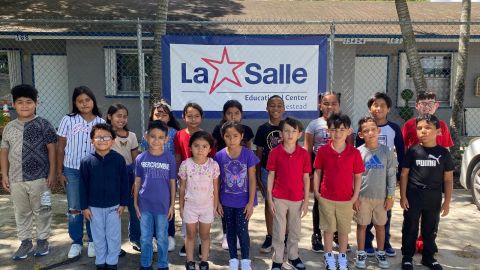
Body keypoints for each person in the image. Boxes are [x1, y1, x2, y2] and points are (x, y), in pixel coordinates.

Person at [0, 84, 57, 260]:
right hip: (16, 179)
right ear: (13, 105)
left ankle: (42, 240)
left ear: (36, 103)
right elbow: (4, 150)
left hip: (40, 178)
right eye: (20, 102)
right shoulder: (9, 127)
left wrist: (52, 173)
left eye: (29, 102)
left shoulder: (44, 124)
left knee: (43, 209)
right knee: (21, 211)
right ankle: (25, 242)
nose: (24, 106)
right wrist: (4, 174)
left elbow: (52, 150)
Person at [401, 91, 453, 253]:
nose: (426, 107)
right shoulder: (409, 124)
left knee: (431, 217)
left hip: (434, 177)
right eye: (423, 103)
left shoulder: (441, 126)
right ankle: (409, 246)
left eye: (430, 103)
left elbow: (445, 151)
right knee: (412, 215)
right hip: (414, 178)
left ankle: (426, 243)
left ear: (436, 106)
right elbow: (403, 149)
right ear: (417, 106)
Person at [57, 86, 105, 258]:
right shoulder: (68, 120)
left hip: (93, 171)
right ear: (75, 103)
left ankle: (92, 240)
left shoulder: (100, 121)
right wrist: (59, 171)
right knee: (75, 207)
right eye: (80, 101)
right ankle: (76, 241)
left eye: (87, 100)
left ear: (93, 101)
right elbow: (60, 147)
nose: (84, 104)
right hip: (72, 170)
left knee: (92, 206)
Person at [313, 113, 364, 270]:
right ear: (328, 131)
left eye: (342, 129)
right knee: (328, 229)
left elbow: (358, 176)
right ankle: (328, 257)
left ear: (349, 131)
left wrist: (355, 196)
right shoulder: (323, 151)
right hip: (326, 197)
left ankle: (342, 258)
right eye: (334, 129)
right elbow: (317, 172)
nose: (338, 133)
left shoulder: (354, 153)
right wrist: (317, 193)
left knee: (343, 230)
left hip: (346, 199)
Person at [355, 92, 404, 257]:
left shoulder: (394, 128)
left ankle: (385, 244)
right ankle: (367, 244)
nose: (379, 108)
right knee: (364, 218)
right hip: (367, 179)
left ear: (388, 108)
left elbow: (401, 152)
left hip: (385, 176)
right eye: (375, 105)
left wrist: (398, 176)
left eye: (383, 105)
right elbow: (359, 155)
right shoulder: (364, 129)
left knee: (384, 215)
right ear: (370, 108)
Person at [79, 123, 129, 270]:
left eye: (107, 137)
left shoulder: (119, 159)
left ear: (113, 140)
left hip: (114, 207)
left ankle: (112, 262)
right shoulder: (86, 161)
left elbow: (124, 183)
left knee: (113, 236)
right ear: (91, 140)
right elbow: (82, 186)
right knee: (98, 236)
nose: (102, 140)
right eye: (98, 137)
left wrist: (123, 203)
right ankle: (100, 261)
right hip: (94, 208)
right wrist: (84, 207)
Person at [267, 117, 311, 270]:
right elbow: (271, 175)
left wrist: (306, 201)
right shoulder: (275, 152)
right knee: (279, 231)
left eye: (294, 131)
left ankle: (293, 256)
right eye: (286, 131)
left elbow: (306, 178)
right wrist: (270, 198)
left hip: (297, 198)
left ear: (299, 134)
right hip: (279, 197)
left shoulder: (304, 154)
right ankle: (278, 259)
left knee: (294, 230)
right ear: (281, 133)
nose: (290, 134)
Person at [215, 121, 259, 270]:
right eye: (227, 136)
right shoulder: (219, 156)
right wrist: (217, 202)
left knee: (242, 230)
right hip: (226, 201)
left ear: (241, 136)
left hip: (243, 202)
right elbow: (217, 181)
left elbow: (252, 179)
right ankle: (233, 258)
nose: (231, 139)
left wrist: (250, 202)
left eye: (235, 136)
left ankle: (245, 259)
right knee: (230, 230)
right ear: (223, 137)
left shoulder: (248, 154)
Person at [354, 117, 397, 269]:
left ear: (378, 131)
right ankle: (361, 252)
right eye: (366, 131)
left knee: (380, 226)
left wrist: (390, 196)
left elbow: (391, 175)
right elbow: (354, 178)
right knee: (362, 226)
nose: (370, 133)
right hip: (363, 198)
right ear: (361, 135)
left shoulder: (387, 152)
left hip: (381, 198)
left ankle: (381, 252)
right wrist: (355, 198)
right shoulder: (357, 153)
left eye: (373, 129)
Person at [134, 120, 176, 270]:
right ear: (146, 137)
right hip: (145, 205)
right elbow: (137, 182)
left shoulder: (169, 158)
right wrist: (135, 203)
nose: (156, 140)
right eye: (153, 136)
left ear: (166, 139)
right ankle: (145, 264)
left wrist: (172, 205)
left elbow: (172, 183)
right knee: (145, 237)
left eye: (160, 137)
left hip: (163, 206)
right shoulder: (140, 158)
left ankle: (163, 264)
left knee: (162, 237)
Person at [212, 100, 254, 250]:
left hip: (241, 169)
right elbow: (214, 146)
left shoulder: (246, 129)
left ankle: (238, 235)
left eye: (236, 113)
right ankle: (226, 233)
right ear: (224, 115)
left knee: (238, 206)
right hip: (224, 168)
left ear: (241, 114)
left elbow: (249, 147)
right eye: (229, 113)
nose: (233, 116)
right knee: (225, 201)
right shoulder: (219, 129)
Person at [141, 99, 181, 252]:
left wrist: (176, 174)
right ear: (152, 116)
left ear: (169, 117)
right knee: (150, 204)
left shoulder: (174, 133)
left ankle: (169, 235)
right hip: (151, 176)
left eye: (164, 115)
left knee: (169, 204)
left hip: (168, 176)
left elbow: (177, 155)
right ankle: (152, 236)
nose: (160, 117)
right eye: (157, 114)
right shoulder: (147, 134)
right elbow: (143, 154)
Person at [174, 102, 214, 257]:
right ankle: (187, 241)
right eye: (189, 116)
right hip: (186, 175)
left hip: (202, 178)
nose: (193, 119)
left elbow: (210, 158)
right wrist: (178, 172)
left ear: (201, 118)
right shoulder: (179, 135)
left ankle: (200, 245)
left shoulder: (205, 136)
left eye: (196, 116)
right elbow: (178, 154)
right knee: (187, 211)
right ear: (184, 117)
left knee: (203, 212)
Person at [304, 92, 341, 253]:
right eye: (326, 103)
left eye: (333, 103)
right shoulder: (314, 125)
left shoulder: (344, 124)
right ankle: (317, 235)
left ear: (339, 106)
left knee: (339, 203)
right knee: (319, 203)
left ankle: (337, 235)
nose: (329, 107)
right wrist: (309, 172)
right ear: (320, 106)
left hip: (339, 172)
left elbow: (349, 149)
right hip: (320, 171)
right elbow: (307, 150)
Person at [179, 131, 220, 270]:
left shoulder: (213, 165)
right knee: (190, 235)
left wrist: (215, 206)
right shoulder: (186, 164)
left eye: (204, 146)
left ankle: (204, 261)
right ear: (190, 147)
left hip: (207, 207)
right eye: (196, 145)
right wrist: (181, 207)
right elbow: (182, 187)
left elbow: (215, 187)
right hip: (190, 206)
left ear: (210, 149)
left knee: (205, 235)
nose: (200, 149)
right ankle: (190, 261)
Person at [107, 104, 140, 253]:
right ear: (109, 117)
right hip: (112, 175)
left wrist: (136, 180)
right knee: (114, 212)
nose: (122, 119)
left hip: (129, 174)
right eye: (118, 116)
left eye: (124, 116)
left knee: (134, 208)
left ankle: (136, 238)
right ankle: (113, 245)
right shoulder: (105, 135)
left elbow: (135, 160)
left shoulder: (131, 136)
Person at [254, 95, 285, 253]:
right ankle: (270, 236)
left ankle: (283, 237)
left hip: (285, 172)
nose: (276, 108)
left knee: (285, 205)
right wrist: (258, 176)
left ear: (284, 109)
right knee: (269, 203)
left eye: (279, 105)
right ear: (267, 108)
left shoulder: (287, 126)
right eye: (272, 105)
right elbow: (258, 154)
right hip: (267, 170)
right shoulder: (262, 129)